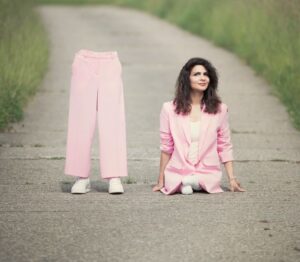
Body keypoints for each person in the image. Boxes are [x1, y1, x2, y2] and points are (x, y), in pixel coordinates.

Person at [153, 57, 245, 195]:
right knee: (174, 180)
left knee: (204, 181)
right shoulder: (169, 109)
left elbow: (224, 144)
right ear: (187, 79)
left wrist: (232, 178)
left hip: (207, 172)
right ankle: (185, 182)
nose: (203, 78)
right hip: (179, 169)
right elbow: (166, 146)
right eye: (197, 74)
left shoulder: (220, 109)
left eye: (206, 74)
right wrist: (161, 179)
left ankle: (188, 183)